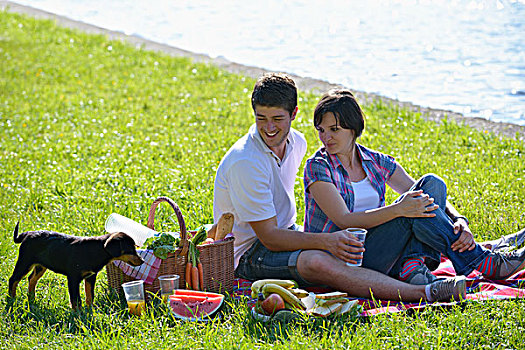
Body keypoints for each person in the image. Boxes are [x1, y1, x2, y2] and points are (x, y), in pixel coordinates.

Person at [212, 72, 466, 302]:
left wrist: (459, 219)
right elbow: (269, 237)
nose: (269, 128)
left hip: (289, 232)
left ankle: (449, 260)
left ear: (294, 113)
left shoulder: (296, 143)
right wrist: (326, 242)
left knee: (427, 192)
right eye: (261, 118)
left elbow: (416, 189)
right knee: (317, 261)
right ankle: (425, 292)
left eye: (277, 118)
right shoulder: (246, 162)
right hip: (249, 253)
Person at [303, 88, 525, 284]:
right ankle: (482, 261)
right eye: (321, 130)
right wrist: (398, 210)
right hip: (346, 259)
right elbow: (344, 220)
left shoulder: (375, 161)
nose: (326, 137)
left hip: (383, 248)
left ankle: (412, 266)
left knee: (432, 183)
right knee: (411, 209)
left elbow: (427, 195)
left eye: (334, 129)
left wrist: (459, 220)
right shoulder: (318, 166)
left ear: (353, 128)